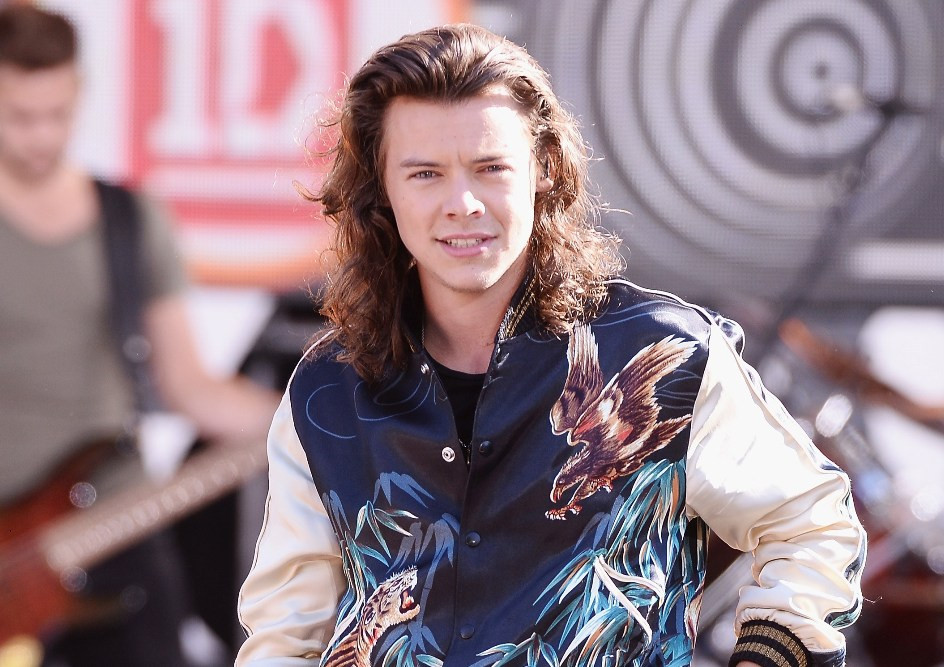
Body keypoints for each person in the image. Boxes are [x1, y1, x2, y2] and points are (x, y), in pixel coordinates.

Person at [237, 23, 866, 667]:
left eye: (490, 168)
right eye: (425, 173)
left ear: (543, 169)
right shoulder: (328, 390)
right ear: (381, 187)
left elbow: (813, 524)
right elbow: (285, 638)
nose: (462, 202)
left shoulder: (663, 354)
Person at [0, 4, 280, 665]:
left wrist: (314, 417)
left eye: (58, 113)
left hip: (113, 522)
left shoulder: (129, 219)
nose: (42, 135)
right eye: (19, 116)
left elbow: (190, 388)